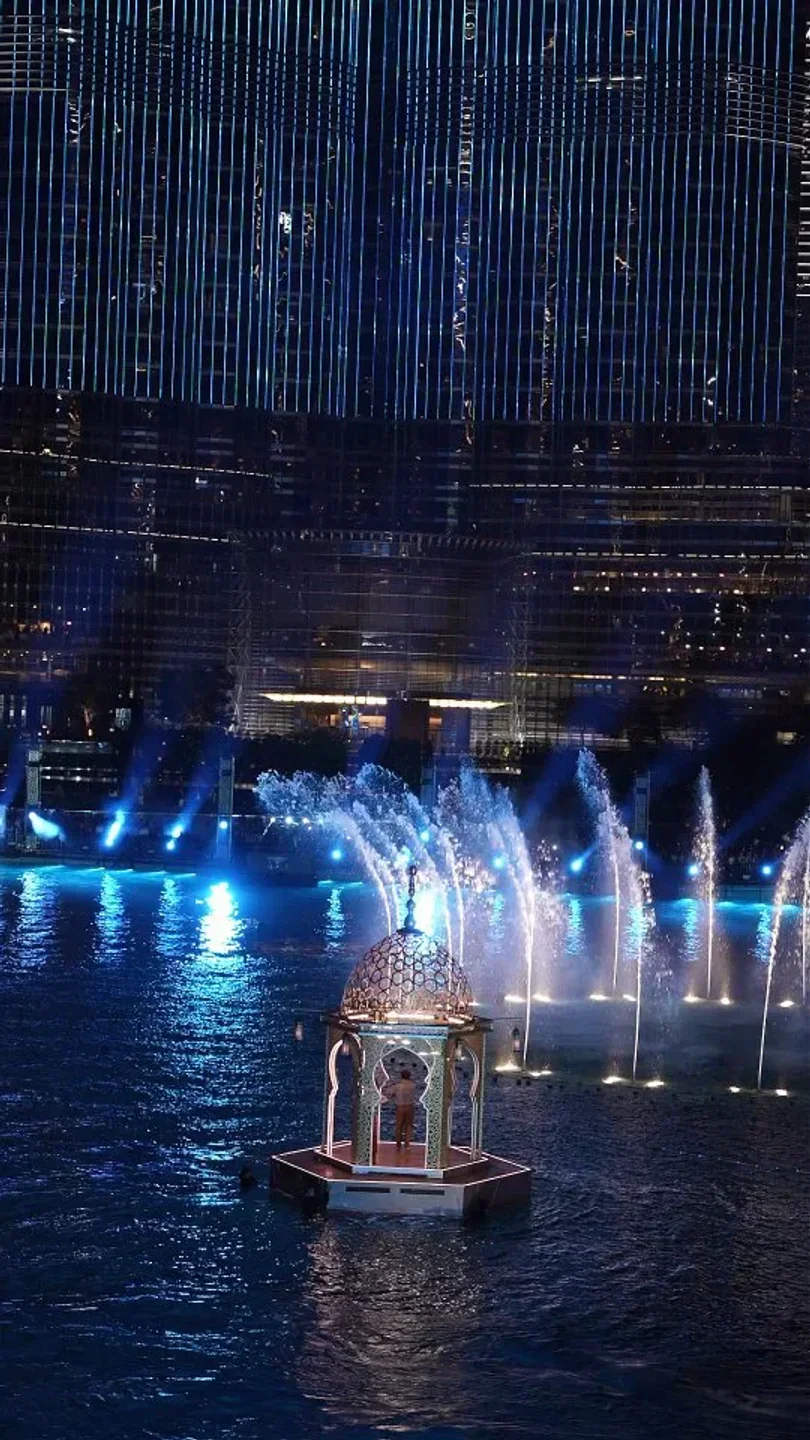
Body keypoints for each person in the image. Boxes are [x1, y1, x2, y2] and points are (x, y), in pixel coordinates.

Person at [390, 1069, 417, 1150]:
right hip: (410, 1107)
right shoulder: (412, 1085)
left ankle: (398, 1145)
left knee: (399, 1127)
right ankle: (407, 1145)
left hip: (400, 1107)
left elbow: (390, 1094)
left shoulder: (397, 1086)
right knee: (408, 1126)